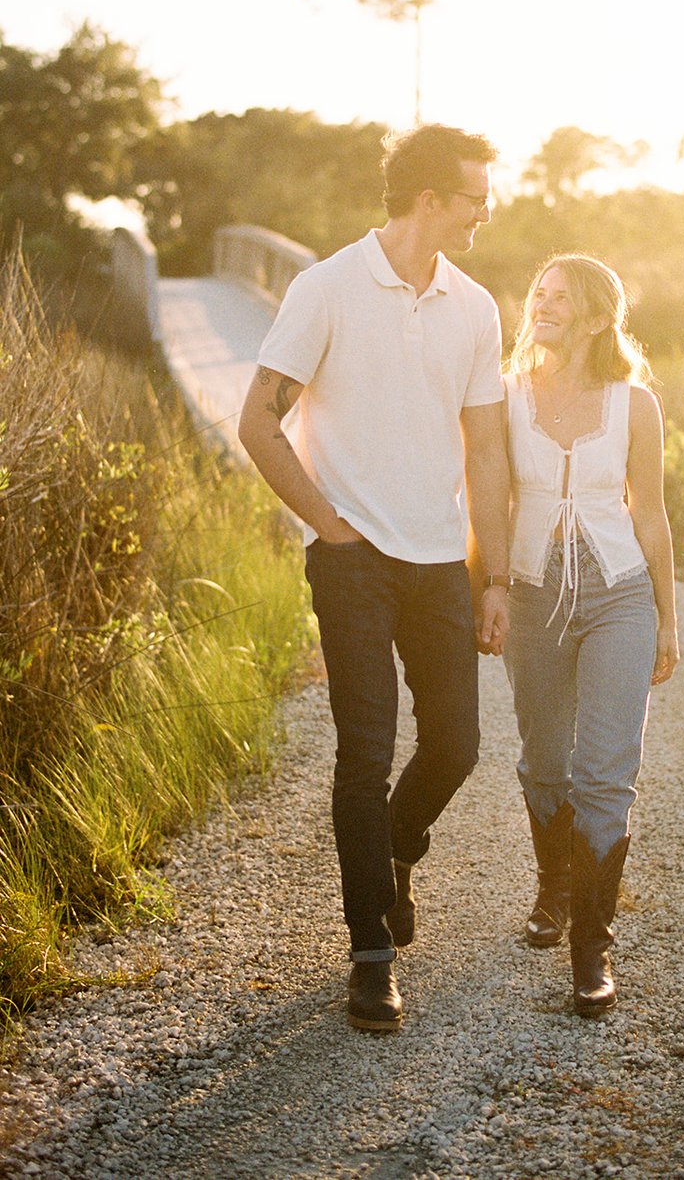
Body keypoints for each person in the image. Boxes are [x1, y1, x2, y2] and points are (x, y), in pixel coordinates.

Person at [238, 124, 510, 1034]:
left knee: (459, 745)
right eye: (476, 194)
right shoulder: (325, 289)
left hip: (439, 559)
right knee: (363, 751)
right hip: (352, 560)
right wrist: (328, 524)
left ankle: (392, 850)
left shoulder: (476, 308)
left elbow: (485, 449)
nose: (487, 209)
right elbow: (258, 422)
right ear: (429, 199)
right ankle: (371, 955)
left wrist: (494, 574)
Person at [501, 253, 679, 1016]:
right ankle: (554, 886)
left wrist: (668, 617)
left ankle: (592, 947)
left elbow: (650, 515)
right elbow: (481, 497)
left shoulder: (634, 404)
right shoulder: (504, 399)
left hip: (620, 596)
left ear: (601, 316)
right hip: (533, 594)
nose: (544, 306)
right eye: (540, 294)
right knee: (546, 763)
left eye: (562, 298)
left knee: (605, 771)